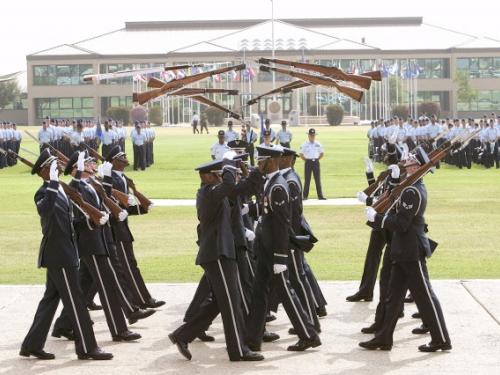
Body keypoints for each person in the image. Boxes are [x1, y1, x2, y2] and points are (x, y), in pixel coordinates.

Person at [20, 150, 113, 360]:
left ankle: (31, 345)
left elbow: (69, 222)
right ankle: (88, 348)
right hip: (59, 256)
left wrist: (91, 221)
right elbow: (45, 211)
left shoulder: (61, 189)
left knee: (50, 300)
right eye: (53, 164)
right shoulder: (44, 192)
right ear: (45, 170)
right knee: (76, 302)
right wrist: (52, 183)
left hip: (65, 253)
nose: (59, 165)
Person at [169, 157, 264, 362]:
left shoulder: (216, 191)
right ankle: (238, 350)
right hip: (217, 254)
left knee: (222, 302)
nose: (222, 177)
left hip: (222, 253)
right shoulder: (207, 193)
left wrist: (257, 171)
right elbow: (230, 185)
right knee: (231, 302)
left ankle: (182, 335)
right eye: (218, 174)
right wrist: (229, 166)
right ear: (207, 176)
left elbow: (242, 189)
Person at [360, 149, 452, 353]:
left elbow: (401, 223)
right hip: (402, 250)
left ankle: (441, 339)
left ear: (417, 167)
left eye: (409, 161)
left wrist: (378, 218)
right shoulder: (408, 186)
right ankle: (384, 337)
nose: (405, 162)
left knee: (425, 295)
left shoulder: (413, 190)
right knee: (393, 297)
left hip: (411, 250)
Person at [51, 151, 142, 343]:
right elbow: (76, 220)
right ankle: (119, 330)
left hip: (101, 241)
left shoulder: (89, 184)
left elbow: (106, 200)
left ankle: (64, 324)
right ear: (77, 168)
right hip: (90, 244)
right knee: (107, 286)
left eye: (91, 162)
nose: (93, 165)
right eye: (88, 163)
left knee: (86, 285)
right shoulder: (74, 188)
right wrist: (96, 221)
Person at [245, 145, 321, 352]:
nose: (259, 164)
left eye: (262, 161)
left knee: (287, 292)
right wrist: (250, 208)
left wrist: (280, 257)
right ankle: (253, 338)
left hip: (274, 251)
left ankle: (308, 334)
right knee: (259, 292)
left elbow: (280, 223)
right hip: (265, 247)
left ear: (271, 161)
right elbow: (266, 208)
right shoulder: (270, 182)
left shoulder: (278, 186)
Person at [104, 146, 165, 310]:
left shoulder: (121, 178)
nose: (126, 158)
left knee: (101, 273)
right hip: (117, 231)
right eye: (122, 156)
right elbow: (113, 205)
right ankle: (143, 300)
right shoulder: (113, 180)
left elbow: (125, 208)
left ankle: (85, 301)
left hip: (122, 229)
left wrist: (141, 205)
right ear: (114, 161)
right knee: (129, 267)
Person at [299, 128, 326, 200]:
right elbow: (301, 154)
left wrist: (316, 160)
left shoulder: (318, 144)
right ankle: (305, 196)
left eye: (313, 135)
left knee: (317, 179)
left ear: (315, 135)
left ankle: (320, 196)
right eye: (311, 135)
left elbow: (322, 153)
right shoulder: (304, 144)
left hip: (316, 162)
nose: (312, 136)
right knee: (307, 179)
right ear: (308, 135)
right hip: (308, 162)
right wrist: (307, 160)